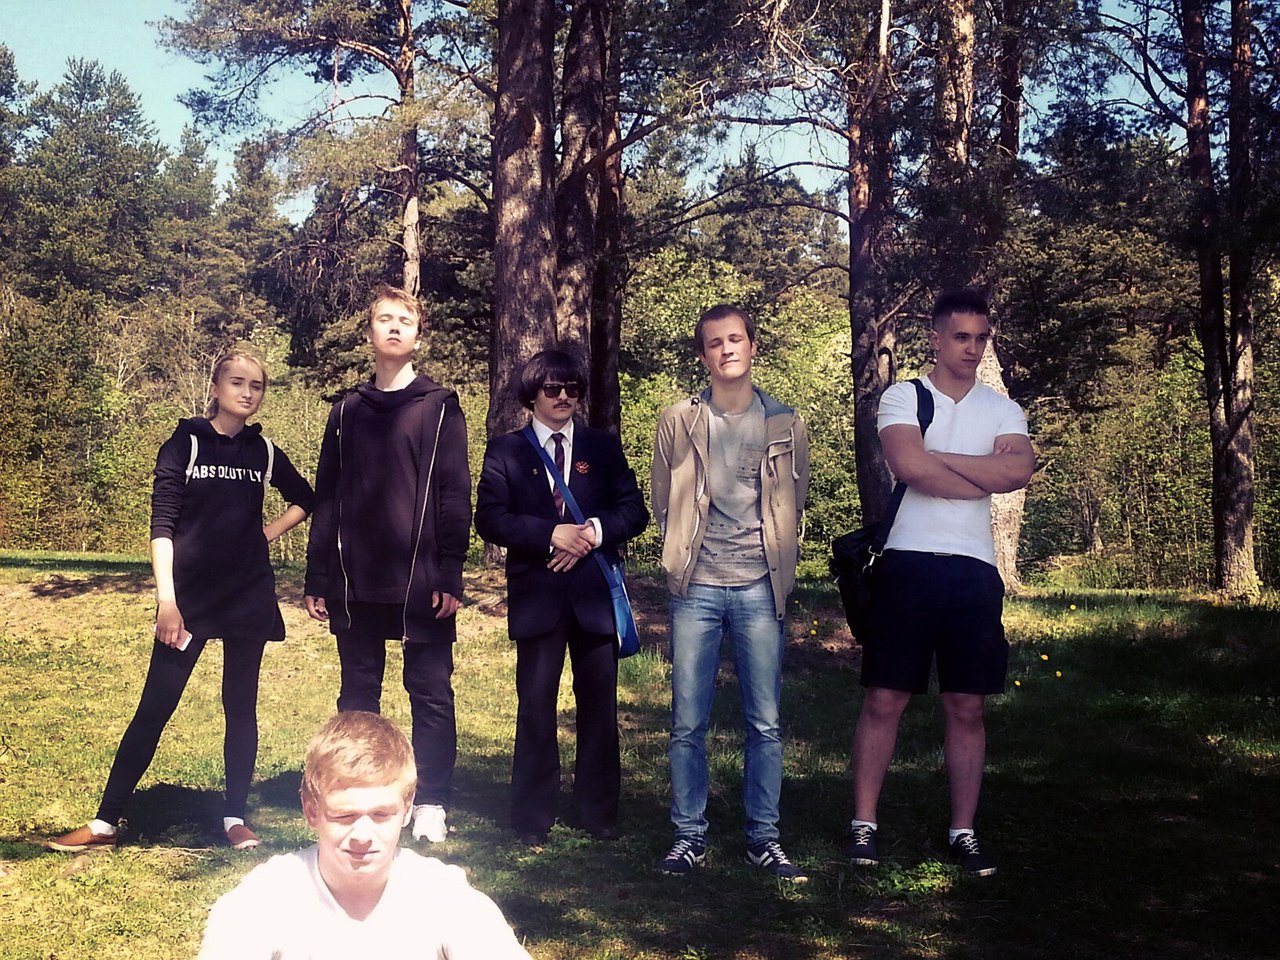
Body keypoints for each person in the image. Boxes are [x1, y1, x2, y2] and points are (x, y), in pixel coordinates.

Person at [49, 351, 315, 853]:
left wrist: (263, 535)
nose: (247, 392)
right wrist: (167, 602)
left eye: (256, 385)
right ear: (216, 387)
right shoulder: (184, 443)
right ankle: (104, 824)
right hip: (189, 598)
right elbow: (162, 526)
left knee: (241, 707)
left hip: (247, 595)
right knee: (156, 705)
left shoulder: (264, 452)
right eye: (237, 382)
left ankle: (235, 818)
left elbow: (307, 498)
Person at [843, 289, 1035, 877]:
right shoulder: (904, 396)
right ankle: (863, 824)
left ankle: (963, 832)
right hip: (907, 563)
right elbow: (908, 466)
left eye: (980, 338)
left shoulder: (1002, 409)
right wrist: (982, 476)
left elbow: (1018, 470)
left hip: (974, 570)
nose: (971, 348)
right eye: (960, 337)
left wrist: (941, 460)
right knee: (885, 697)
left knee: (967, 705)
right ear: (936, 339)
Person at [303, 285, 472, 846]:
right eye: (385, 319)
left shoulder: (440, 406)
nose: (395, 327)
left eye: (406, 320)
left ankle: (432, 801)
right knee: (358, 693)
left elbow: (454, 494)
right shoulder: (346, 410)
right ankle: (356, 791)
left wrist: (450, 572)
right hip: (357, 579)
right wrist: (319, 575)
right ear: (370, 332)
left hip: (422, 581)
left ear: (418, 335)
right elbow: (327, 496)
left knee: (430, 693)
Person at [650, 304, 810, 882]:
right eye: (715, 342)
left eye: (736, 339)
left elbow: (794, 502)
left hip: (761, 588)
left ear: (752, 346)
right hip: (696, 586)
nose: (727, 349)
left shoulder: (786, 424)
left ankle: (763, 838)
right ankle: (688, 837)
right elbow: (662, 499)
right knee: (687, 723)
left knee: (764, 723)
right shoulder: (678, 420)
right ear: (704, 355)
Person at [474, 349, 648, 845]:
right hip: (538, 595)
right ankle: (532, 817)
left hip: (593, 595)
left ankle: (598, 813)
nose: (564, 397)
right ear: (532, 395)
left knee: (599, 705)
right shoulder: (506, 449)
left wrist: (590, 533)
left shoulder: (603, 446)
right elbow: (490, 518)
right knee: (535, 705)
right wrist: (552, 534)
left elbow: (633, 510)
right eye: (552, 389)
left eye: (572, 388)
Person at [197, 711, 531, 959]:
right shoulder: (266, 898)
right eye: (344, 816)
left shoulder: (442, 895)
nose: (362, 835)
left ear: (407, 808)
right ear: (311, 810)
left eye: (381, 815)